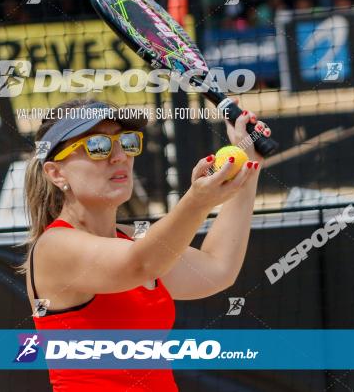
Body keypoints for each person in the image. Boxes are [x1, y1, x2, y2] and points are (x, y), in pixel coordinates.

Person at [19, 98, 271, 391]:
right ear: (56, 173)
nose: (119, 156)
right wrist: (197, 200)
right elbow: (142, 263)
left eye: (127, 142)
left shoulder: (131, 238)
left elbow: (217, 269)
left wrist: (248, 170)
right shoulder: (54, 246)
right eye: (97, 146)